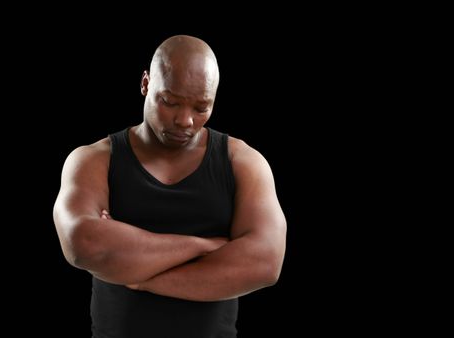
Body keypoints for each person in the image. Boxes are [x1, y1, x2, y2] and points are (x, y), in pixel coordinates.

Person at [53, 34, 287, 338]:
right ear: (146, 83)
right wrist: (204, 245)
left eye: (201, 107)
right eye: (170, 102)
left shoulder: (242, 162)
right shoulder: (94, 160)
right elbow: (83, 245)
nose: (185, 120)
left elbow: (265, 263)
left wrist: (140, 278)